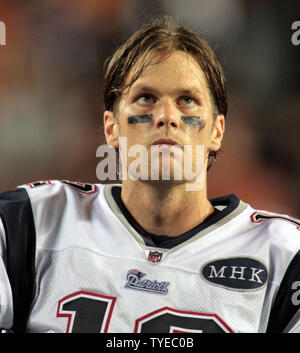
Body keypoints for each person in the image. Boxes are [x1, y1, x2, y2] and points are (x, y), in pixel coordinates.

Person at [0, 16, 299, 333]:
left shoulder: (283, 255)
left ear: (217, 131)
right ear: (111, 127)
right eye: (146, 98)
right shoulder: (34, 221)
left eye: (187, 101)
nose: (167, 117)